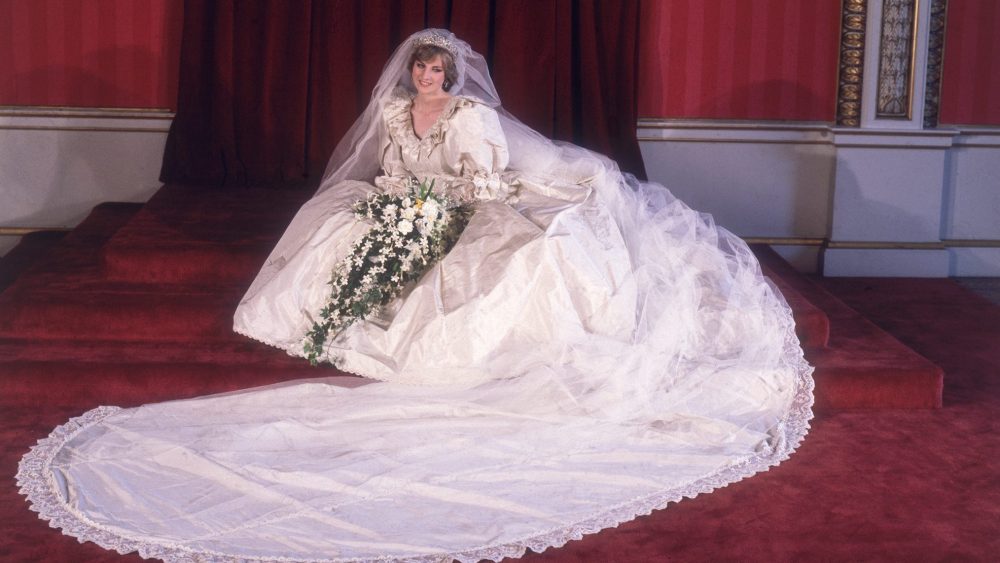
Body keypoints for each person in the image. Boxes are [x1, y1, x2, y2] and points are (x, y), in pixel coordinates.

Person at [18, 29, 814, 562]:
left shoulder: (470, 117)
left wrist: (442, 205)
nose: (426, 79)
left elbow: (483, 179)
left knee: (496, 257)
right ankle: (335, 319)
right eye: (420, 71)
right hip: (414, 203)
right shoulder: (400, 114)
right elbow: (395, 170)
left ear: (452, 75)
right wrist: (396, 201)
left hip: (470, 199)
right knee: (338, 226)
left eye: (436, 71)